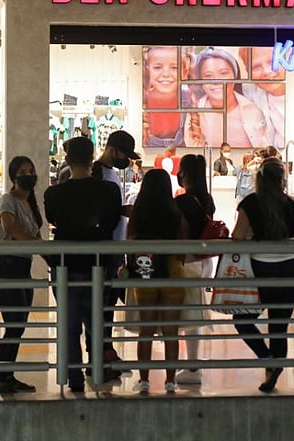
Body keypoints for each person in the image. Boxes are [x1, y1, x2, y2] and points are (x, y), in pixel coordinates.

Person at [231, 158, 294, 393]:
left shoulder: (250, 203)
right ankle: (271, 374)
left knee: (242, 320)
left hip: (260, 272)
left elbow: (237, 236)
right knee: (279, 325)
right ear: (282, 180)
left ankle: (268, 360)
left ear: (258, 178)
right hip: (291, 272)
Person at [44, 136, 122, 392]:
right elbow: (111, 223)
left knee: (69, 325)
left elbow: (53, 218)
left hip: (65, 265)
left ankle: (74, 379)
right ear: (92, 159)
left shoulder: (54, 193)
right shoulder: (108, 191)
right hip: (99, 265)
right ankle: (97, 371)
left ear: (66, 160)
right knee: (97, 323)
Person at [127, 169, 187, 394]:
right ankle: (170, 380)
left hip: (146, 269)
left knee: (146, 329)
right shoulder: (175, 212)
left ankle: (144, 380)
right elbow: (183, 248)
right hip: (172, 271)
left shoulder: (139, 214)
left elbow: (129, 241)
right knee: (170, 331)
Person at [0, 156, 42, 394]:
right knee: (13, 325)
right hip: (7, 266)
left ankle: (7, 375)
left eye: (31, 170)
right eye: (23, 171)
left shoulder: (30, 204)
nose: (28, 174)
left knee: (18, 325)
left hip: (24, 267)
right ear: (14, 175)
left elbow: (36, 237)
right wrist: (35, 244)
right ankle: (1, 377)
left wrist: (52, 257)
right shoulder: (7, 200)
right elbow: (10, 227)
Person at [92, 130, 141, 381]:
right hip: (105, 248)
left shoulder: (112, 173)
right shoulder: (98, 173)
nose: (126, 159)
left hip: (115, 247)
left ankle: (106, 352)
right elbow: (98, 212)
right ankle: (100, 355)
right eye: (123, 153)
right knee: (102, 305)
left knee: (109, 304)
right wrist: (122, 210)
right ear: (112, 149)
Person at [172, 154, 217, 385]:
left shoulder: (183, 201)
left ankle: (192, 366)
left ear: (185, 173)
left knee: (187, 313)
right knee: (194, 312)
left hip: (187, 260)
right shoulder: (206, 198)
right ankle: (193, 363)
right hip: (204, 260)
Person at [185, 47, 268, 148]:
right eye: (208, 75)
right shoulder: (194, 112)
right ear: (201, 81)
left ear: (235, 75)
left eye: (223, 73)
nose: (216, 81)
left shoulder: (255, 108)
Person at [143, 46, 193, 147]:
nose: (166, 74)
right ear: (148, 70)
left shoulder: (191, 101)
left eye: (174, 67)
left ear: (185, 71)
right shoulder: (142, 102)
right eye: (157, 67)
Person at [238, 47, 287, 148]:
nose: (266, 71)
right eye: (256, 67)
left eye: (273, 62)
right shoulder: (251, 93)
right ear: (248, 73)